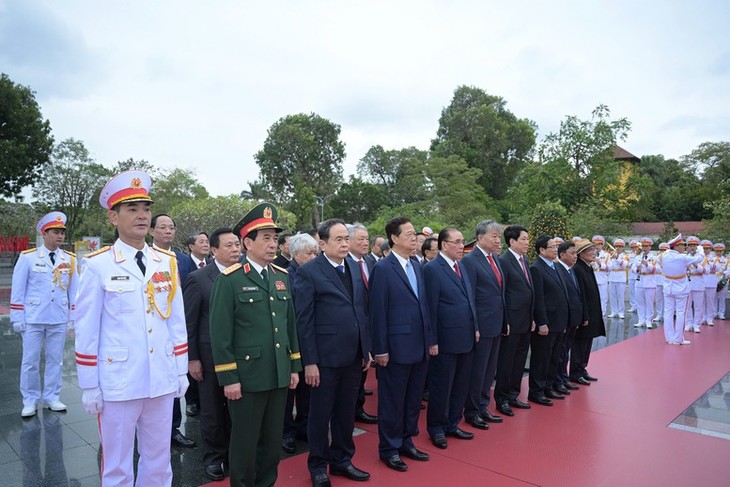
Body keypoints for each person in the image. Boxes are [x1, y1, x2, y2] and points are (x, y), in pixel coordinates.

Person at [74, 170, 189, 486]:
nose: (142, 216)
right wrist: (89, 384)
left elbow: (176, 320)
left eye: (146, 208)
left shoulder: (166, 262)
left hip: (161, 376)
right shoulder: (98, 265)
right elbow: (86, 328)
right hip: (119, 382)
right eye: (132, 209)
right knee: (118, 465)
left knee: (158, 460)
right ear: (113, 216)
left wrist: (180, 370)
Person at [209, 202, 301, 486]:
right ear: (247, 242)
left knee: (272, 441)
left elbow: (289, 327)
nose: (273, 244)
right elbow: (220, 333)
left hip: (278, 372)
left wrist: (294, 366)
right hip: (247, 377)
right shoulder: (230, 279)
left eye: (275, 238)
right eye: (266, 238)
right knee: (245, 440)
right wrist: (229, 378)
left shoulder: (281, 277)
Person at [295, 219, 373, 486]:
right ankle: (318, 465)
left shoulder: (353, 266)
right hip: (325, 359)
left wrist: (366, 349)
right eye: (338, 239)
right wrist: (310, 362)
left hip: (353, 356)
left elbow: (361, 311)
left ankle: (342, 460)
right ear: (322, 242)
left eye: (345, 239)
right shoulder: (309, 272)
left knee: (345, 412)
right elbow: (304, 321)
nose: (344, 244)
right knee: (321, 414)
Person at [370, 216, 433, 472]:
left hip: (419, 345)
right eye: (408, 233)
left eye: (414, 233)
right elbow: (377, 311)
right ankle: (389, 447)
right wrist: (380, 348)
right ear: (394, 238)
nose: (414, 237)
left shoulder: (416, 264)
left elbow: (423, 306)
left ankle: (407, 441)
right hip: (395, 348)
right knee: (392, 401)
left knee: (412, 399)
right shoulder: (383, 268)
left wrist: (430, 340)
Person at [183, 227, 241, 481]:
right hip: (208, 357)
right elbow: (190, 322)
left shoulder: (245, 275)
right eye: (229, 246)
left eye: (238, 245)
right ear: (214, 250)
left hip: (240, 354)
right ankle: (214, 457)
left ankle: (235, 453)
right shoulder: (199, 278)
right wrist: (192, 358)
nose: (235, 250)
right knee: (213, 409)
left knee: (237, 408)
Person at [11, 211, 78, 418]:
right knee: (30, 360)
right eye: (55, 232)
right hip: (33, 317)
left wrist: (73, 318)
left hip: (58, 317)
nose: (60, 236)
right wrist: (17, 317)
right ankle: (30, 400)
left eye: (62, 233)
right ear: (45, 233)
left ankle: (51, 397)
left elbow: (74, 292)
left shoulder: (69, 259)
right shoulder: (28, 257)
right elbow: (18, 289)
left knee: (55, 359)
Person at [424, 227, 479, 448]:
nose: (461, 246)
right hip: (444, 340)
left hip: (465, 336)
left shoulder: (461, 267)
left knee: (460, 384)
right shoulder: (432, 269)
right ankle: (436, 427)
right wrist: (433, 340)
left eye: (462, 241)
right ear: (444, 245)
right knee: (441, 386)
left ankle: (453, 423)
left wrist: (475, 326)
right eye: (457, 242)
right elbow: (430, 307)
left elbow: (469, 300)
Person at [150, 213, 197, 448]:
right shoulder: (147, 257)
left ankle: (173, 428)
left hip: (176, 327)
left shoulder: (181, 259)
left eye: (172, 227)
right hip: (152, 328)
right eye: (163, 227)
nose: (168, 231)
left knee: (175, 379)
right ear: (152, 232)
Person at [461, 219, 507, 429]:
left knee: (489, 370)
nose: (499, 241)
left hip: (496, 323)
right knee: (477, 371)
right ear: (480, 238)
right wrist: (475, 326)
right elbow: (470, 297)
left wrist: (504, 320)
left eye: (499, 236)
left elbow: (500, 293)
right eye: (494, 236)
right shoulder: (470, 261)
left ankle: (482, 405)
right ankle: (471, 411)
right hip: (481, 325)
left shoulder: (494, 259)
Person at [281, 232, 318, 455]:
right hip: (290, 341)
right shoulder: (285, 275)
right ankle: (286, 432)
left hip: (310, 339)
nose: (314, 256)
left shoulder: (316, 273)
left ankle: (304, 426)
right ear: (295, 254)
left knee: (308, 388)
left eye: (316, 252)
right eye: (309, 253)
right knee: (289, 392)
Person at [495, 225, 534, 417]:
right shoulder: (504, 261)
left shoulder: (524, 259)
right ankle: (501, 399)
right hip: (512, 321)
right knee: (506, 361)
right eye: (524, 239)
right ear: (512, 241)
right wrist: (506, 321)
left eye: (528, 239)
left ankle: (513, 394)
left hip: (526, 320)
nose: (528, 242)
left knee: (519, 360)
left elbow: (528, 290)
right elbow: (503, 294)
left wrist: (533, 317)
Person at [528, 236, 570, 406]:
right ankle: (536, 391)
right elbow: (538, 299)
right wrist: (542, 322)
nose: (555, 249)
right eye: (551, 247)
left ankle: (549, 386)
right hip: (547, 322)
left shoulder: (556, 267)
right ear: (542, 250)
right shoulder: (536, 268)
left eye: (556, 246)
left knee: (554, 357)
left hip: (559, 321)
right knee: (542, 358)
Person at [347, 223, 378, 426]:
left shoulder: (368, 261)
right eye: (360, 239)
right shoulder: (345, 263)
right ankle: (350, 410)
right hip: (352, 328)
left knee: (363, 370)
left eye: (367, 238)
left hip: (369, 324)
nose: (365, 242)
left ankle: (359, 408)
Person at [570, 239, 606, 385]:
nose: (593, 253)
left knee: (587, 342)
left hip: (592, 311)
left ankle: (582, 368)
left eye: (593, 250)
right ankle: (575, 371)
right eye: (590, 251)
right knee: (579, 343)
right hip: (586, 313)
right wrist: (584, 315)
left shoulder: (588, 267)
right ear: (581, 254)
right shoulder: (578, 269)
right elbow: (581, 294)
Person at [661, 234, 704, 345]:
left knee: (668, 313)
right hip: (681, 288)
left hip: (668, 288)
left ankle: (669, 337)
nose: (684, 247)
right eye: (682, 245)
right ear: (676, 246)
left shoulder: (664, 255)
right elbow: (699, 258)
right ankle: (678, 338)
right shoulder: (682, 257)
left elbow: (659, 260)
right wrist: (700, 249)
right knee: (681, 313)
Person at [554, 241, 585, 392]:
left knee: (565, 351)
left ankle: (564, 378)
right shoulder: (558, 269)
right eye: (572, 253)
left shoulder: (571, 270)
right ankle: (558, 380)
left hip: (573, 318)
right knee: (560, 352)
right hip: (564, 319)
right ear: (561, 255)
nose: (575, 257)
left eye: (575, 253)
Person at [632, 238, 658, 329]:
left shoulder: (654, 257)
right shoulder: (638, 257)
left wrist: (647, 265)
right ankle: (641, 320)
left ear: (650, 247)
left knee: (649, 303)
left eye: (646, 246)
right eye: (643, 246)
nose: (644, 248)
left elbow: (658, 269)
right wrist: (637, 269)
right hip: (639, 281)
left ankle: (648, 321)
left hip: (650, 282)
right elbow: (632, 268)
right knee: (640, 302)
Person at [685, 236, 706, 333]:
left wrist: (696, 265)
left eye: (694, 245)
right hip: (688, 283)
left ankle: (697, 324)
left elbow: (707, 270)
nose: (692, 247)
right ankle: (689, 323)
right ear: (688, 247)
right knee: (687, 305)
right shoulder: (685, 256)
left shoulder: (702, 257)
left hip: (698, 283)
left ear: (697, 246)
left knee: (698, 306)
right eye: (690, 245)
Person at [607, 238, 628, 319]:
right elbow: (609, 266)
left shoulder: (625, 256)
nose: (618, 248)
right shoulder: (610, 256)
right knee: (612, 296)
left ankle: (621, 312)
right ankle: (613, 311)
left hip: (621, 277)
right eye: (616, 246)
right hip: (612, 276)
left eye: (620, 246)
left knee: (620, 296)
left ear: (622, 248)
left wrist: (617, 258)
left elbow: (624, 265)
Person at [701, 240, 718, 327]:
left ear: (710, 249)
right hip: (702, 281)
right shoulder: (700, 257)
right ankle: (703, 317)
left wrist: (710, 265)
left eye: (707, 248)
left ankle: (709, 318)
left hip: (711, 281)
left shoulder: (715, 258)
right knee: (702, 301)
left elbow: (718, 268)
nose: (705, 250)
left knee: (710, 301)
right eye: (704, 248)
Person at [591, 236, 609, 316]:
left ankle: (602, 313)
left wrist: (600, 263)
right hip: (592, 277)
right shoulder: (590, 254)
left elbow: (609, 267)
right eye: (595, 244)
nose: (597, 246)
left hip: (602, 278)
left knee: (602, 297)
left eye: (599, 244)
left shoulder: (606, 255)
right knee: (592, 297)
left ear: (602, 245)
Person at [713, 243, 728, 320]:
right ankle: (714, 313)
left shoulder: (726, 260)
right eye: (717, 251)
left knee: (722, 298)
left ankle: (721, 313)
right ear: (714, 251)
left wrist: (724, 274)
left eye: (720, 251)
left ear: (722, 251)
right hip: (713, 280)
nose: (718, 252)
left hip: (723, 280)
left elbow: (728, 270)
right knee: (714, 298)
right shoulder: (711, 259)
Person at [627, 240, 640, 313]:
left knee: (638, 292)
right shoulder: (629, 255)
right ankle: (633, 306)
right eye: (632, 247)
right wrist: (632, 265)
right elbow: (627, 263)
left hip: (638, 276)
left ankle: (638, 306)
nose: (634, 249)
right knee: (632, 292)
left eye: (635, 247)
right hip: (631, 275)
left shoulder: (640, 255)